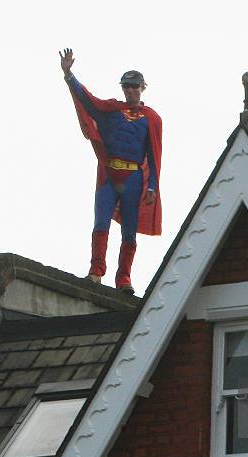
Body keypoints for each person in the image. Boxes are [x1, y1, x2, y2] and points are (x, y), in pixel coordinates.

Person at [59, 48, 162, 294]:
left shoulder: (152, 118)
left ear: (142, 88)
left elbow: (154, 154)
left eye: (134, 87)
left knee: (129, 228)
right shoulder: (111, 109)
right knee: (101, 222)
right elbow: (88, 101)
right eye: (126, 87)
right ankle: (96, 271)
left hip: (134, 177)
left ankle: (124, 279)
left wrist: (152, 186)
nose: (130, 91)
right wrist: (69, 74)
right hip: (108, 174)